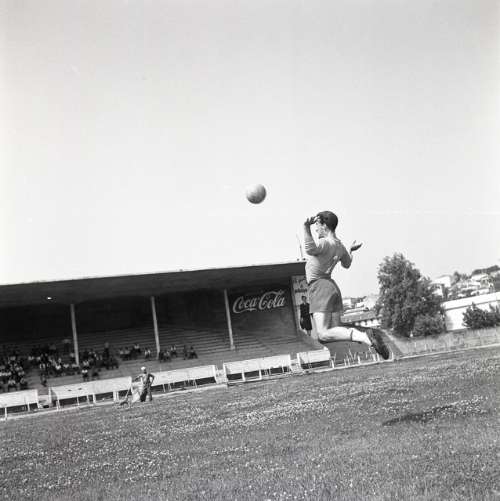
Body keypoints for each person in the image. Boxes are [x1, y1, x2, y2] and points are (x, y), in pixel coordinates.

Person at [303, 211, 390, 359]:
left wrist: (306, 227)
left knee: (322, 334)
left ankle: (365, 337)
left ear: (324, 226)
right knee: (336, 328)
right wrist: (350, 250)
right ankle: (367, 336)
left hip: (320, 287)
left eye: (317, 225)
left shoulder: (325, 242)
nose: (316, 229)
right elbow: (347, 263)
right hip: (332, 287)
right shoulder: (339, 246)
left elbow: (310, 249)